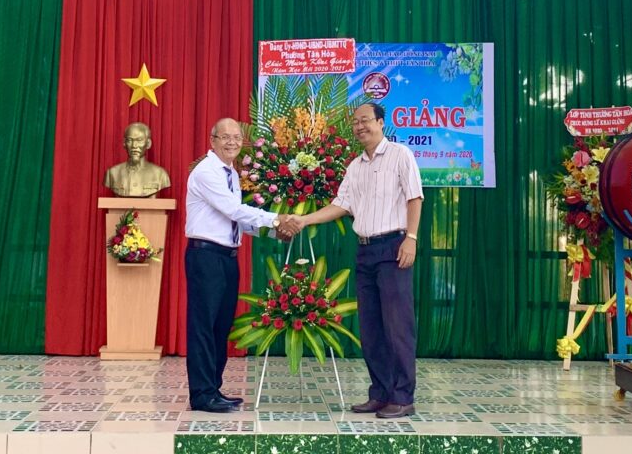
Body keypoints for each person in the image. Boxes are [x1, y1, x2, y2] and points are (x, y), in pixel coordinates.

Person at [280, 102, 423, 419]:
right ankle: (380, 393)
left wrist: (411, 238)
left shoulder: (401, 155)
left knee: (397, 326)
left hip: (393, 247)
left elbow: (415, 197)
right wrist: (304, 220)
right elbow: (341, 205)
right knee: (371, 328)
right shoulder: (355, 166)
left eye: (365, 120)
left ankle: (403, 397)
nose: (360, 126)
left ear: (381, 122)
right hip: (365, 251)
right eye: (355, 122)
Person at [185, 117, 293, 413]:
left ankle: (213, 389)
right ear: (213, 140)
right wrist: (277, 219)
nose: (232, 142)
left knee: (220, 326)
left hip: (226, 258)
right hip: (206, 257)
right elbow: (234, 210)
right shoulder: (207, 171)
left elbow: (237, 221)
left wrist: (275, 232)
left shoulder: (230, 173)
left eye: (236, 137)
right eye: (225, 137)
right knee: (204, 327)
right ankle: (201, 395)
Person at [104, 122, 171, 197]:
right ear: (124, 143)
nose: (134, 146)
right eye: (130, 140)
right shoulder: (112, 173)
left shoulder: (160, 174)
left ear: (148, 144)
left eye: (139, 140)